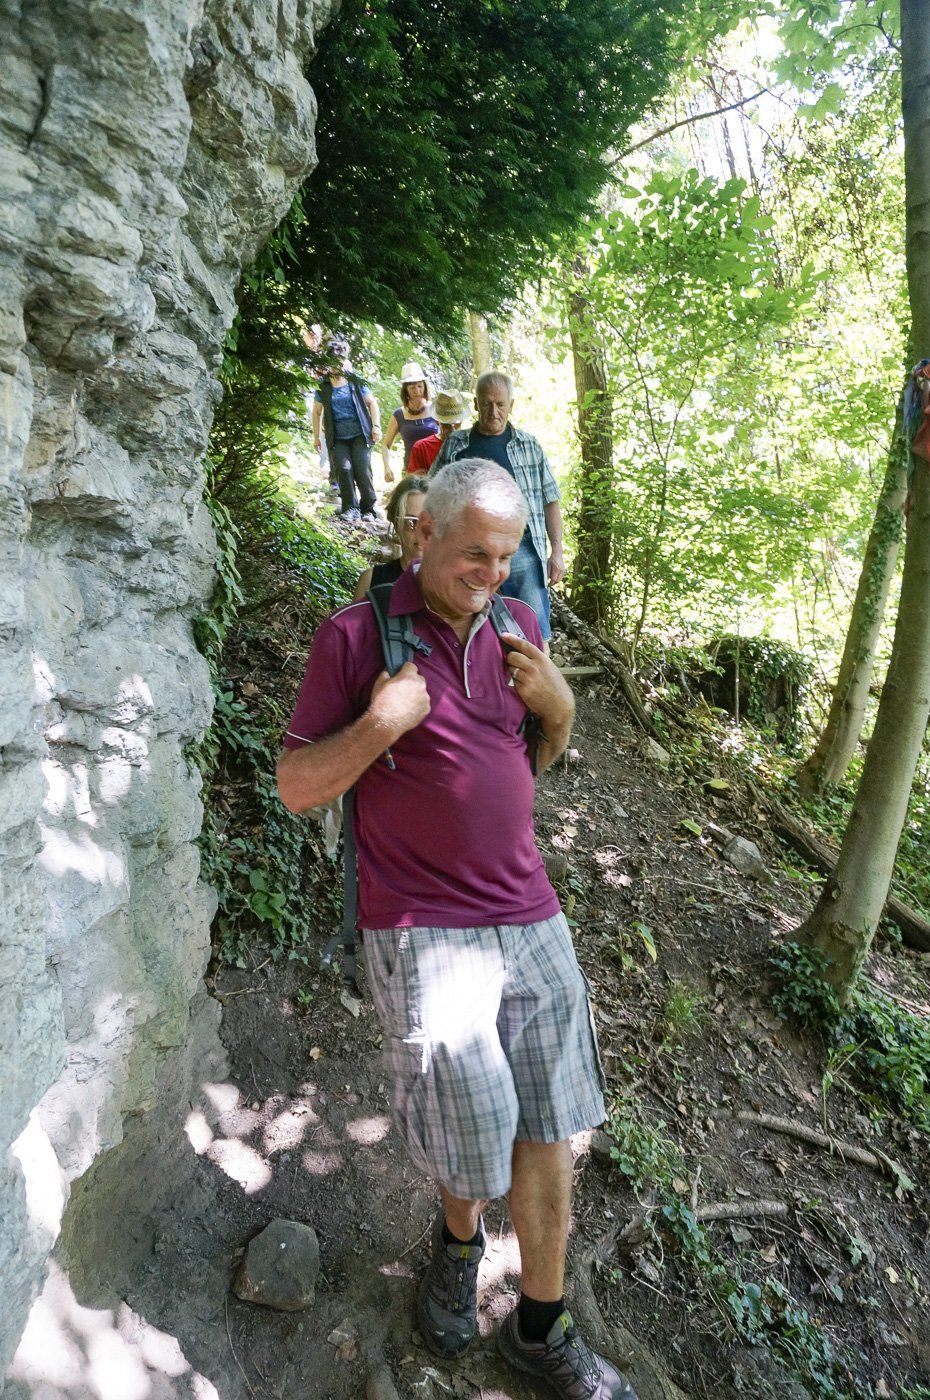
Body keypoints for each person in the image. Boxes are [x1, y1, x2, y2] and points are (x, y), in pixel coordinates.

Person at [277, 458, 636, 1400]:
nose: (493, 573)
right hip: (422, 921)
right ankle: (457, 1241)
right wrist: (380, 726)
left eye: (507, 556)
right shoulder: (356, 637)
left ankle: (542, 1325)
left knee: (550, 1123)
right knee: (474, 1127)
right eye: (476, 553)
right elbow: (297, 787)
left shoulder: (519, 625)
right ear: (420, 534)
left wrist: (562, 712)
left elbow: (527, 759)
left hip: (530, 908)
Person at [430, 370, 563, 643]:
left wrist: (557, 551)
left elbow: (551, 499)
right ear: (476, 404)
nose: (493, 412)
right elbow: (432, 493)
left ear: (511, 405)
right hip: (466, 548)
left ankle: (537, 667)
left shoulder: (528, 445)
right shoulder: (456, 444)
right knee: (465, 621)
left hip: (521, 548)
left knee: (535, 629)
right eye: (486, 404)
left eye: (500, 404)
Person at [313, 337, 382, 522]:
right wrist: (316, 437)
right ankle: (350, 507)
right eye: (333, 362)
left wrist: (376, 426)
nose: (337, 366)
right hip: (337, 436)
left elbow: (372, 403)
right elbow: (317, 412)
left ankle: (368, 509)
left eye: (340, 361)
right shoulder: (323, 386)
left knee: (362, 469)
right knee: (343, 469)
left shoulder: (355, 382)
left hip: (360, 433)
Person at [353, 476, 427, 598]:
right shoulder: (371, 582)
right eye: (410, 522)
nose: (421, 531)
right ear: (396, 524)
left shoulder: (453, 583)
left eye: (429, 522)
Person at [381, 360, 439, 481]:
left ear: (425, 386)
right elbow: (386, 445)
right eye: (412, 388)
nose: (417, 391)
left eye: (420, 386)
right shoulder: (399, 415)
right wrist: (387, 467)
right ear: (405, 390)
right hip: (411, 471)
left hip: (436, 470)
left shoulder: (435, 409)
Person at [407, 388, 466, 476]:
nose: (452, 427)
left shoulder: (469, 444)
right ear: (437, 421)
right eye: (447, 423)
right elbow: (414, 482)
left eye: (456, 422)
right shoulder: (421, 447)